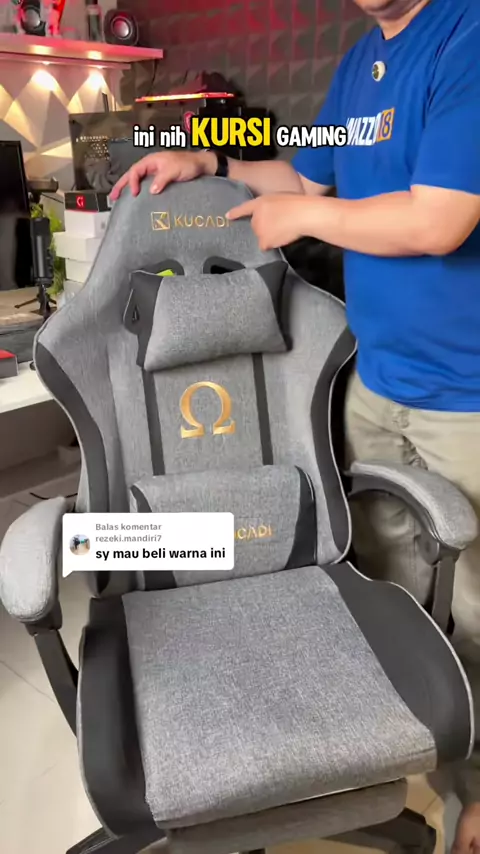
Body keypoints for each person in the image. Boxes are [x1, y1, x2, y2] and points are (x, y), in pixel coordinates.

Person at [111, 0, 480, 848]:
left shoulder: (466, 36)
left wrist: (306, 221)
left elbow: (441, 218)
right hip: (378, 382)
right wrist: (209, 160)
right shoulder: (359, 63)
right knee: (393, 583)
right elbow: (304, 180)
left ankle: (477, 788)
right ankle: (415, 745)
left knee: (475, 599)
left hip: (466, 392)